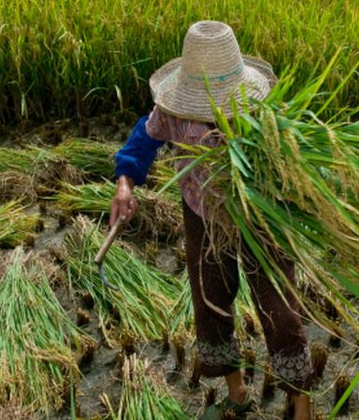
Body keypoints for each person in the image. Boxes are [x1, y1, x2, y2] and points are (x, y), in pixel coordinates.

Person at [110, 21, 313, 420]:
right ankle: (237, 392)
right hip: (202, 213)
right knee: (210, 300)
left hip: (258, 215)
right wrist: (124, 183)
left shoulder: (261, 111)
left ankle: (301, 404)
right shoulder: (173, 111)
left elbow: (293, 159)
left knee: (279, 308)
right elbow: (143, 139)